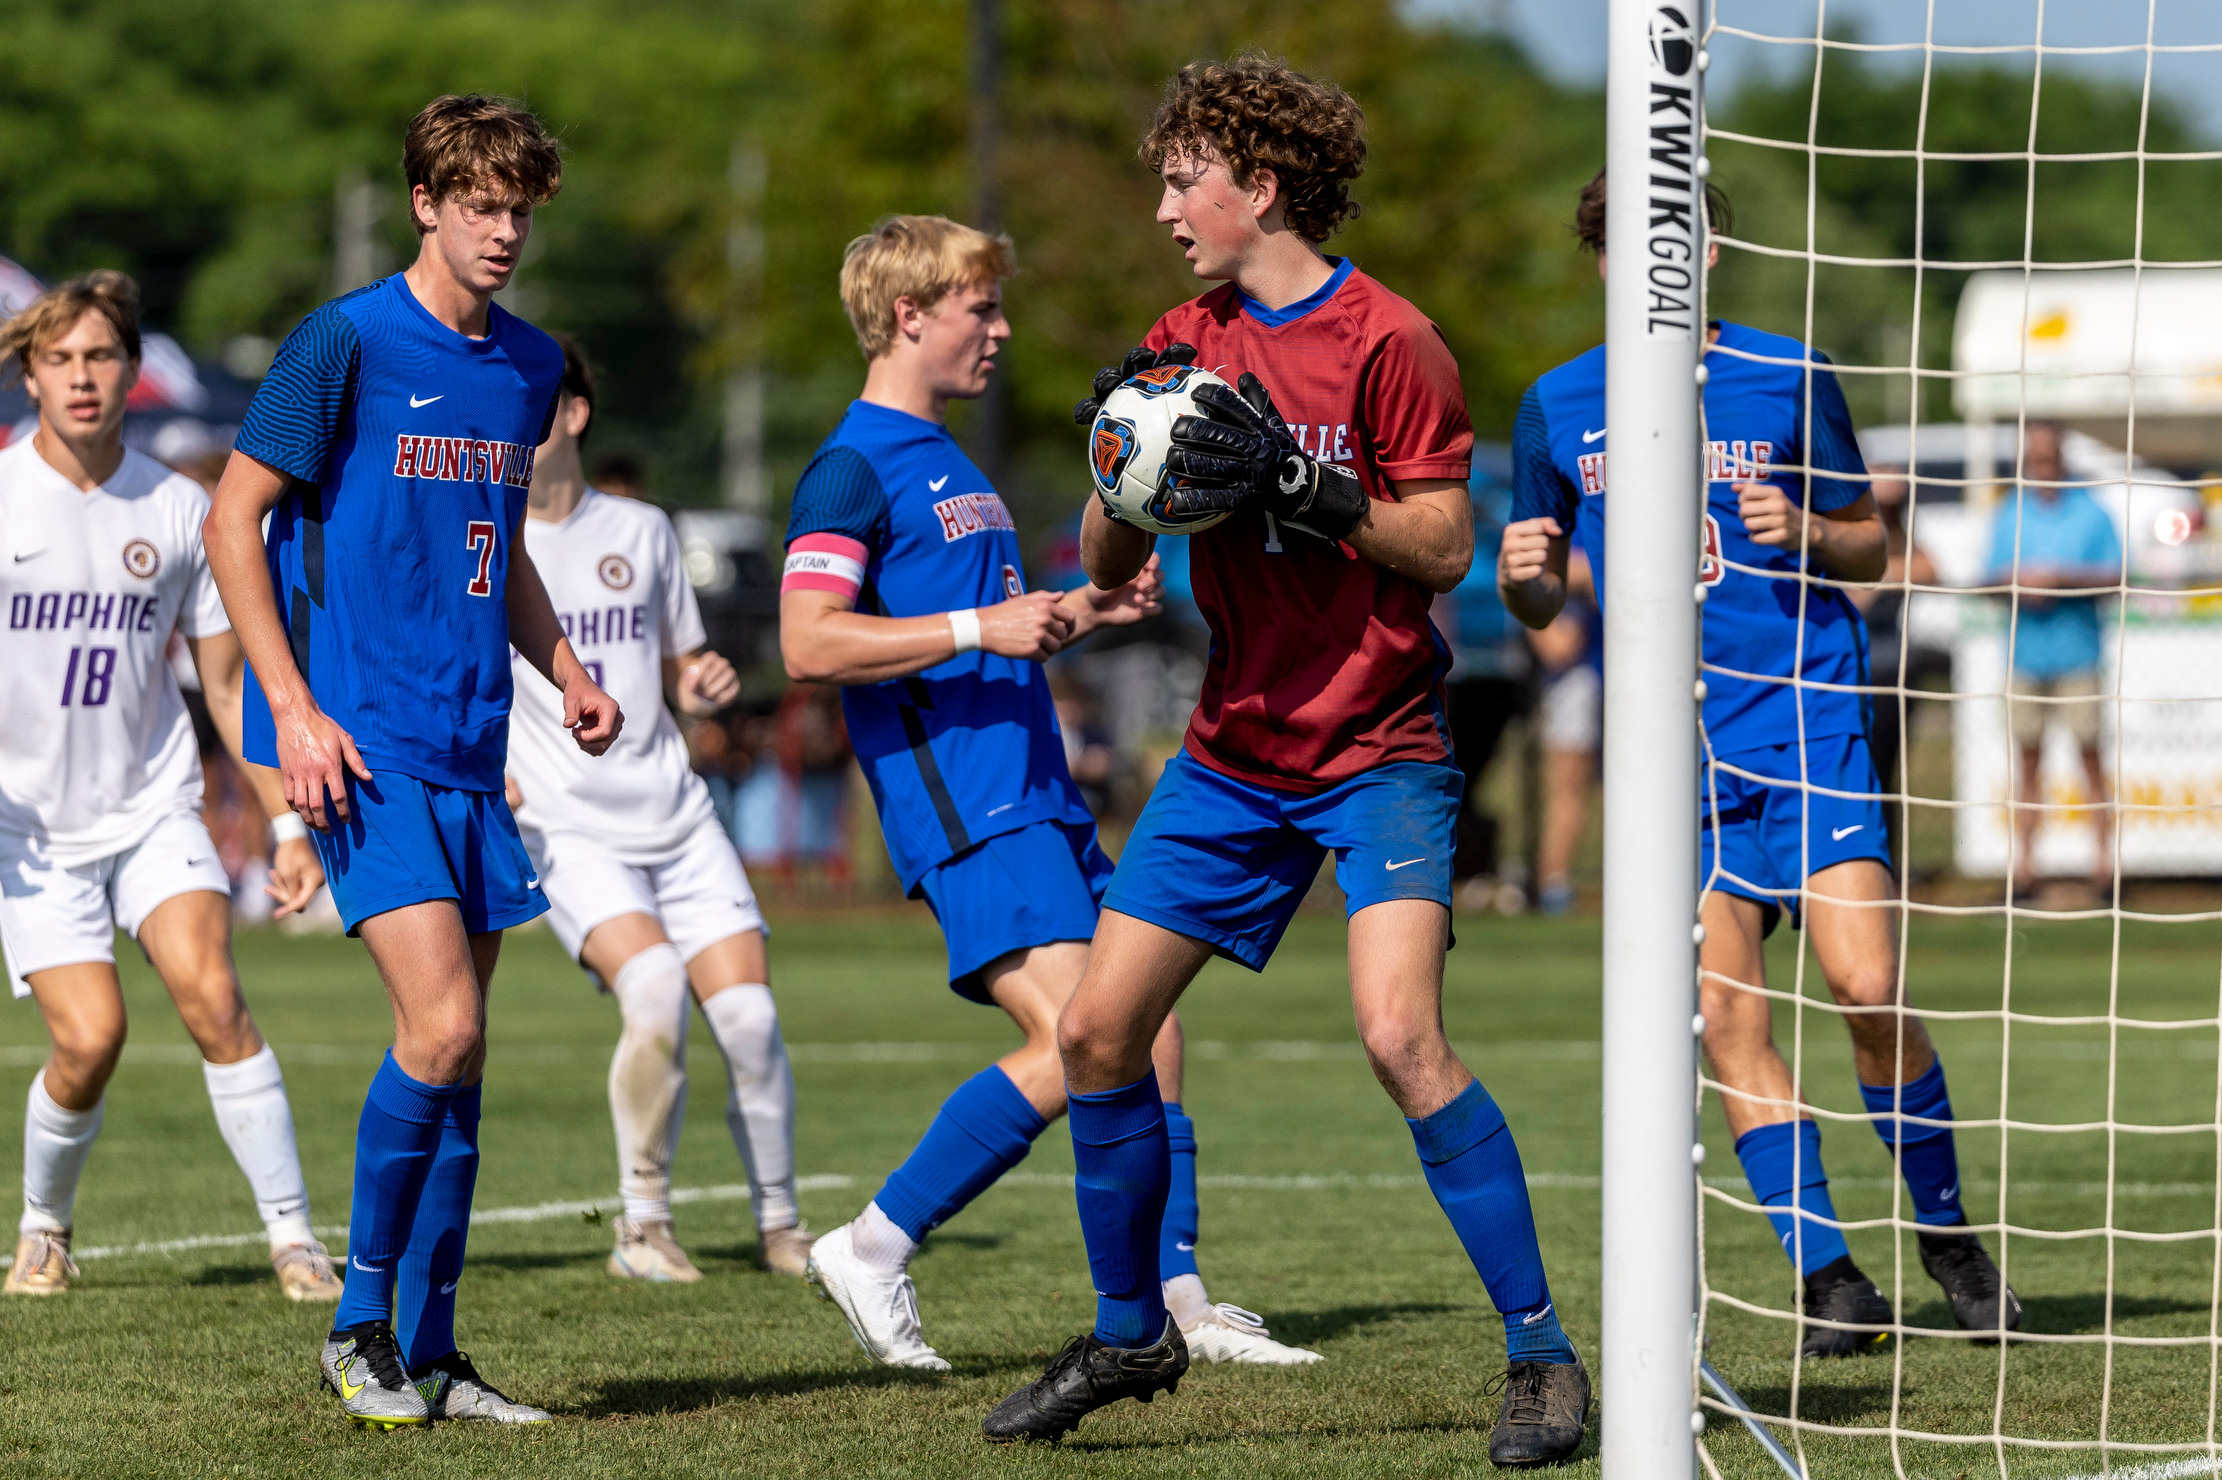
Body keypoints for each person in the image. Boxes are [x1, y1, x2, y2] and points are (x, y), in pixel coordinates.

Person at [988, 56, 1586, 1466]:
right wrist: (1120, 460)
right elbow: (1108, 553)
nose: (1159, 208)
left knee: (1399, 1038)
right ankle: (1132, 1330)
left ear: (1258, 187)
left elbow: (1441, 547)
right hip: (1231, 750)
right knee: (1090, 1035)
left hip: (1378, 744)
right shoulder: (1180, 333)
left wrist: (1303, 488)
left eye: (1179, 177)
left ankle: (1542, 1359)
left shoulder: (1392, 338)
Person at [781, 214, 1317, 1374]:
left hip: (1035, 793)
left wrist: (1073, 613)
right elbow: (808, 642)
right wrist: (987, 623)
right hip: (969, 808)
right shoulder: (852, 464)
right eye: (980, 306)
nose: (1000, 328)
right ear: (910, 314)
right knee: (1087, 1042)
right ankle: (874, 1243)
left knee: (1151, 1032)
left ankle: (1178, 1301)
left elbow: (986, 638)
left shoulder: (950, 458)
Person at [1500, 168, 2019, 1361]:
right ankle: (1826, 1274)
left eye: (1669, 251)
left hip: (1805, 722)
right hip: (1664, 750)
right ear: (1598, 263)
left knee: (1865, 984)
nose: (1647, 274)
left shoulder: (1786, 372)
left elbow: (1871, 551)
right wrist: (1524, 571)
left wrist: (1812, 529)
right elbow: (1537, 604)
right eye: (1622, 254)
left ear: (1706, 255)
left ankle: (1944, 1236)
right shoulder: (1555, 405)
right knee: (1724, 1015)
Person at [204, 95, 621, 1429]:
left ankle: (437, 1355)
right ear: (427, 206)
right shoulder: (343, 341)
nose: (504, 231)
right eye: (480, 205)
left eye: (521, 209)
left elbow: (500, 551)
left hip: (470, 743)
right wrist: (291, 710)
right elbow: (231, 523)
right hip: (358, 744)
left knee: (462, 1055)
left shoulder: (528, 363)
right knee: (437, 1029)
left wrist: (569, 671)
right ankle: (357, 1326)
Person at [0, 271, 340, 1302]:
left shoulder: (182, 506)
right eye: (59, 360)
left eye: (101, 356)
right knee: (90, 1036)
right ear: (29, 375)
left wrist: (285, 817)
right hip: (30, 836)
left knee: (214, 997)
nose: (82, 377)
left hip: (152, 808)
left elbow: (226, 685)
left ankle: (294, 1238)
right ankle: (45, 1226)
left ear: (134, 370)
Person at [505, 336, 807, 1283]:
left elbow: (685, 665)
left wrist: (706, 679)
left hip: (676, 817)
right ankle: (642, 1228)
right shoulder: (488, 538)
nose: (518, 421)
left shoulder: (642, 532)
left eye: (537, 403)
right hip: (569, 827)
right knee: (654, 991)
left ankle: (781, 1225)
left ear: (576, 415)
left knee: (752, 1022)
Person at [1984, 422, 2120, 900]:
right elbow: (1987, 581)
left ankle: (2105, 869)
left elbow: (2116, 577)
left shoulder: (2092, 511)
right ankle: (2025, 870)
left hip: (2079, 655)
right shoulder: (2009, 510)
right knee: (2027, 765)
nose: (2041, 467)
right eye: (2034, 459)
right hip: (2025, 658)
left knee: (2092, 762)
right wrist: (2018, 585)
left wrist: (2061, 581)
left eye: (2048, 459)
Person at [1851, 462, 1947, 873]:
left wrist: (1877, 577)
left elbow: (1930, 569)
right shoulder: (1839, 532)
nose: (1888, 507)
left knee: (1881, 777)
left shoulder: (1903, 543)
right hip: (1840, 673)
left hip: (1889, 674)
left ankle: (1881, 867)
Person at [1527, 551, 1600, 917]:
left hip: (1629, 672)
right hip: (1578, 678)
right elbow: (1560, 647)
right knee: (1567, 788)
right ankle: (1553, 888)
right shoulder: (1568, 512)